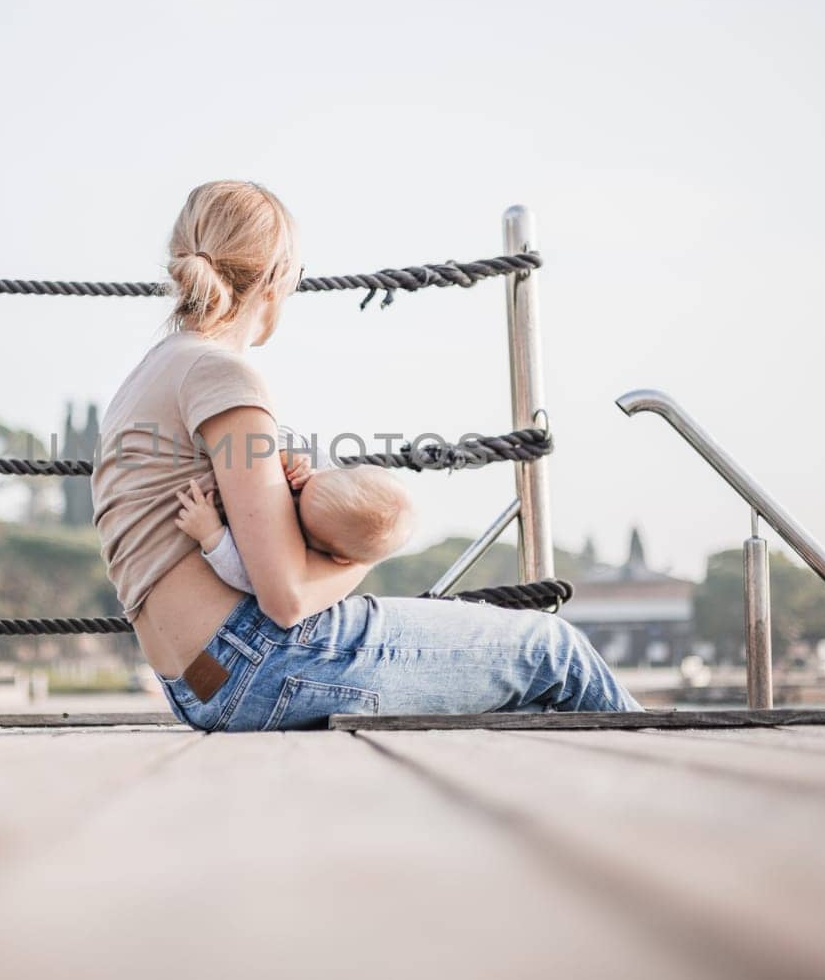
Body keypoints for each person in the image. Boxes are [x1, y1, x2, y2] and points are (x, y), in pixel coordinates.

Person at [90, 180, 641, 731]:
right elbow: (287, 598)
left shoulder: (143, 380)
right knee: (553, 651)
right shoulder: (222, 375)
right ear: (278, 279)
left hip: (195, 685)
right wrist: (366, 554)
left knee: (513, 690)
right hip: (259, 661)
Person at [172, 461, 416, 590]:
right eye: (302, 486)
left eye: (297, 509)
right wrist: (294, 460)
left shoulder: (301, 564)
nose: (290, 497)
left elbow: (249, 577)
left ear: (338, 558)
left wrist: (212, 534)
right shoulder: (321, 479)